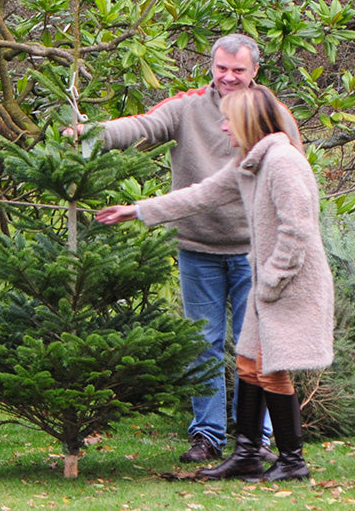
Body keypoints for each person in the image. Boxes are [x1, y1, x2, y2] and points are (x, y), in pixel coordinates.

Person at [69, 34, 300, 463]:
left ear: (255, 73)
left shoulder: (274, 116)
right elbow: (141, 125)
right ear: (211, 67)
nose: (229, 77)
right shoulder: (188, 106)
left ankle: (257, 439)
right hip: (197, 247)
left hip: (256, 252)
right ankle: (207, 435)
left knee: (257, 346)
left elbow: (293, 186)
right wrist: (90, 134)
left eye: (239, 70)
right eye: (222, 68)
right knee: (203, 342)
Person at [96, 85, 333, 481]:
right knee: (247, 362)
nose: (222, 127)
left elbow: (299, 230)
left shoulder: (283, 161)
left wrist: (272, 280)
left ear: (247, 122)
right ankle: (246, 454)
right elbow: (201, 195)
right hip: (268, 282)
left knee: (272, 369)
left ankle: (293, 462)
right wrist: (137, 211)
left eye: (229, 120)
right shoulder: (252, 159)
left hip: (288, 282)